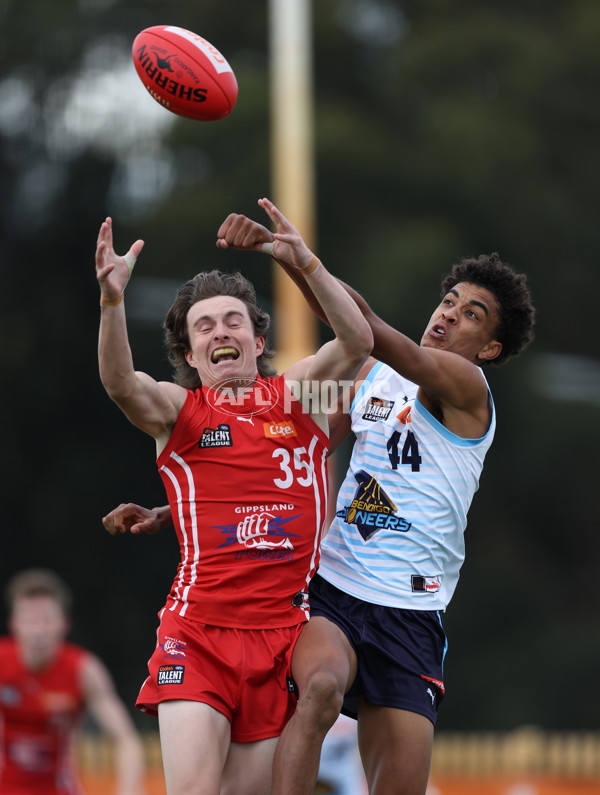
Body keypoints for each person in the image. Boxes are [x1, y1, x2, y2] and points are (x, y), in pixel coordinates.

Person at [105, 211, 535, 795]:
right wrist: (179, 509)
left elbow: (369, 327)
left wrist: (295, 258)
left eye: (471, 315)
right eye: (449, 300)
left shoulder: (466, 388)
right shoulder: (372, 382)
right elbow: (289, 456)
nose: (449, 314)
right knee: (322, 690)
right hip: (334, 589)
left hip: (412, 613)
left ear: (491, 347)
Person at [95, 197, 373, 795]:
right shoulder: (182, 411)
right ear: (190, 355)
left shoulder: (297, 396)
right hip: (198, 633)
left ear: (256, 337)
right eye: (204, 326)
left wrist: (304, 262)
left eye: (233, 320)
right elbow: (120, 383)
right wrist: (112, 302)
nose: (220, 330)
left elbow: (356, 340)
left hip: (281, 639)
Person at [0, 568, 147, 795]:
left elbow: (127, 741)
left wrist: (129, 791)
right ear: (13, 624)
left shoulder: (84, 671)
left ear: (64, 624)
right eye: (30, 619)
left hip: (60, 788)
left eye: (46, 619)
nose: (38, 630)